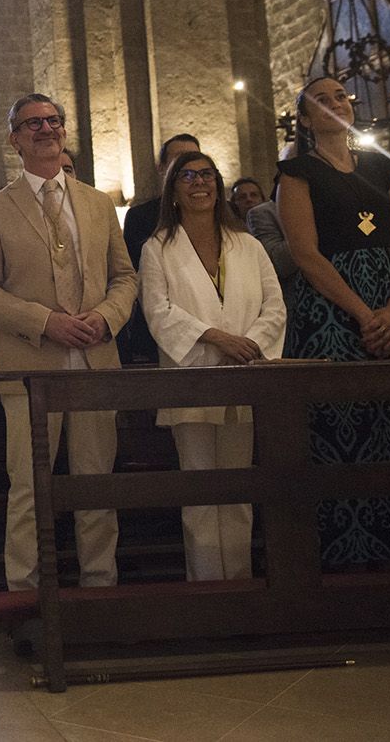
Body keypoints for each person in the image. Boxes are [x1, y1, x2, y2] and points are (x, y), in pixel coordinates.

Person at [0, 93, 137, 590]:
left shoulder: (98, 202)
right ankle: (26, 592)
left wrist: (106, 317)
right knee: (29, 489)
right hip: (28, 364)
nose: (46, 128)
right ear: (14, 138)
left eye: (53, 120)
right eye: (33, 123)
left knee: (95, 485)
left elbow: (126, 277)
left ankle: (100, 586)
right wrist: (44, 321)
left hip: (95, 361)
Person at [277, 76, 390, 567]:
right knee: (345, 422)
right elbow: (306, 254)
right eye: (321, 100)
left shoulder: (379, 167)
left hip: (389, 303)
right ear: (306, 120)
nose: (335, 104)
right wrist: (363, 313)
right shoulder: (297, 172)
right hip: (330, 309)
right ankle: (349, 553)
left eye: (340, 96)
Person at [139, 151, 285, 581]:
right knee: (200, 489)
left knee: (239, 490)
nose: (198, 182)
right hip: (192, 377)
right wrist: (217, 338)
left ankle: (238, 584)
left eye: (206, 175)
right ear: (174, 190)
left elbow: (275, 306)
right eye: (187, 176)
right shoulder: (158, 248)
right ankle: (206, 587)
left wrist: (249, 345)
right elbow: (157, 311)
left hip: (245, 375)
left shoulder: (248, 244)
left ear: (217, 185)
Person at [118, 134, 201, 367]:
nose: (187, 167)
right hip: (158, 328)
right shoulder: (141, 217)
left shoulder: (223, 215)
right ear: (162, 168)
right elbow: (134, 275)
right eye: (178, 160)